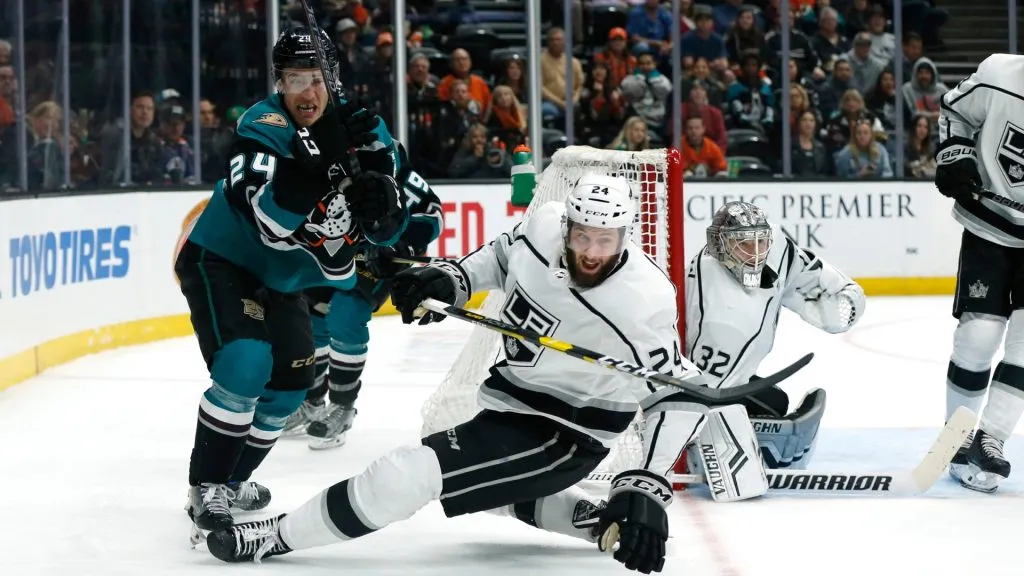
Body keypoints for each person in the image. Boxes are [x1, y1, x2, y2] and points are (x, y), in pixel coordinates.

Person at [203, 174, 768, 573]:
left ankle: (273, 537)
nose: (592, 252)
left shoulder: (642, 302)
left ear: (626, 235)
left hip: (568, 434)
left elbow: (680, 394)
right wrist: (452, 279)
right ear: (567, 225)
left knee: (410, 472)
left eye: (605, 240)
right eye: (582, 236)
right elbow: (500, 256)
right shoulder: (542, 228)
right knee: (489, 490)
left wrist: (644, 482)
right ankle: (595, 524)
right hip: (510, 404)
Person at [173, 26, 407, 539]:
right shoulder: (262, 125)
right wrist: (323, 156)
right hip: (225, 259)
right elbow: (269, 220)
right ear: (278, 83)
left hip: (283, 279)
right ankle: (206, 489)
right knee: (246, 363)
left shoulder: (365, 130)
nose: (307, 91)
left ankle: (231, 483)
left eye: (317, 78)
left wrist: (383, 205)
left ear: (333, 80)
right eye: (295, 79)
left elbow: (390, 226)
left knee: (289, 387)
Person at [284, 142, 444, 449]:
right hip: (334, 252)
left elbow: (431, 214)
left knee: (346, 314)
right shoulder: (327, 156)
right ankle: (311, 401)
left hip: (377, 257)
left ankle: (342, 406)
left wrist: (402, 246)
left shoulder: (393, 162)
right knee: (311, 316)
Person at [684, 201, 865, 469]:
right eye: (744, 244)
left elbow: (818, 283)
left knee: (775, 400)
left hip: (716, 379)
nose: (756, 254)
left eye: (761, 242)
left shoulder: (778, 249)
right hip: (696, 383)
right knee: (767, 405)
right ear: (720, 246)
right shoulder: (718, 308)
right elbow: (707, 390)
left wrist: (840, 303)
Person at [935, 54, 1024, 493]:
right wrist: (955, 157)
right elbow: (954, 112)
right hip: (990, 228)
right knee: (978, 338)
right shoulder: (999, 75)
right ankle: (956, 439)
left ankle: (991, 440)